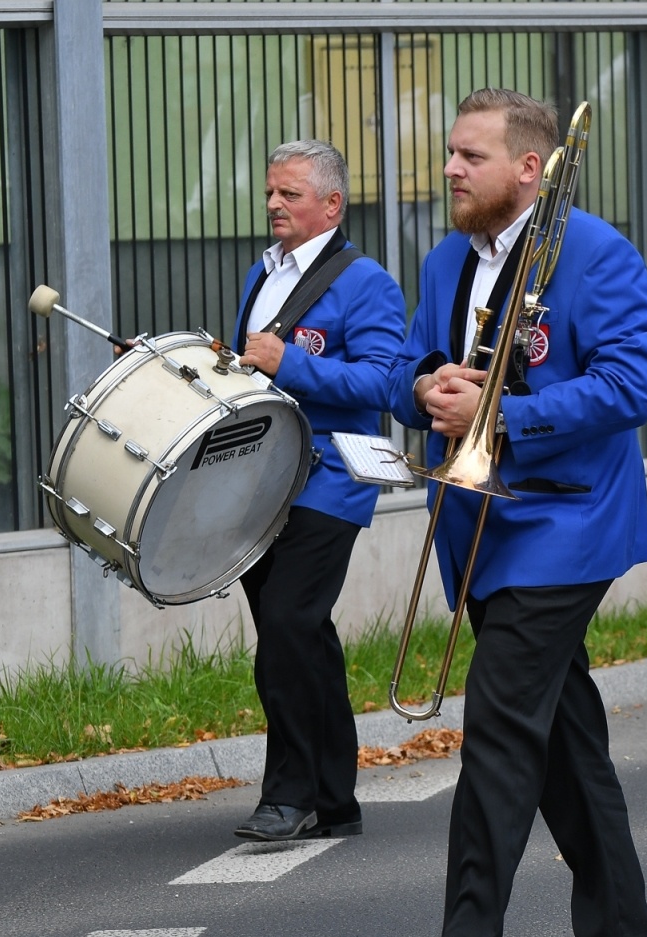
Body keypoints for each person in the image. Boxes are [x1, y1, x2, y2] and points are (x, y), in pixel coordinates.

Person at [386, 89, 647, 937]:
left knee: (501, 726)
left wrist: (501, 412)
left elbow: (632, 386)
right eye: (451, 154)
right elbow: (410, 365)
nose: (451, 169)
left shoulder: (599, 252)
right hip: (485, 529)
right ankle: (623, 936)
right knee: (563, 741)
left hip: (567, 526)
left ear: (530, 169)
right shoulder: (445, 261)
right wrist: (429, 385)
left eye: (471, 156)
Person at [230, 141, 407, 841]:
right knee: (301, 634)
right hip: (264, 477)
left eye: (290, 195)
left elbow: (383, 385)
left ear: (331, 205)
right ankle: (336, 800)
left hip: (331, 477)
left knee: (288, 625)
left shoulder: (367, 284)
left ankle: (290, 795)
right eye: (272, 192)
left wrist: (291, 361)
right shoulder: (260, 273)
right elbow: (253, 372)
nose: (274, 204)